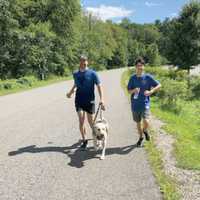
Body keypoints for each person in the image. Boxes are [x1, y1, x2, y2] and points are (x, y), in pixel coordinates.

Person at [67, 55, 105, 150]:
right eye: (82, 61)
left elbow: (99, 86)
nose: (84, 63)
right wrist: (70, 92)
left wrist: (102, 99)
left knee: (91, 122)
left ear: (87, 62)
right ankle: (84, 140)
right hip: (79, 100)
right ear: (79, 62)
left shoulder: (93, 73)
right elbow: (76, 84)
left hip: (89, 101)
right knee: (81, 120)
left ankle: (98, 137)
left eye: (85, 61)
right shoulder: (75, 74)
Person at [127, 57, 161, 147]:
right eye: (138, 66)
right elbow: (129, 91)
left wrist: (151, 92)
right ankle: (141, 137)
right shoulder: (132, 78)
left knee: (146, 121)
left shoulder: (148, 77)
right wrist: (134, 90)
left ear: (144, 67)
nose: (140, 67)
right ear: (135, 67)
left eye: (141, 66)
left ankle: (145, 130)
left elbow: (159, 85)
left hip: (145, 103)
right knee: (138, 123)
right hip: (135, 105)